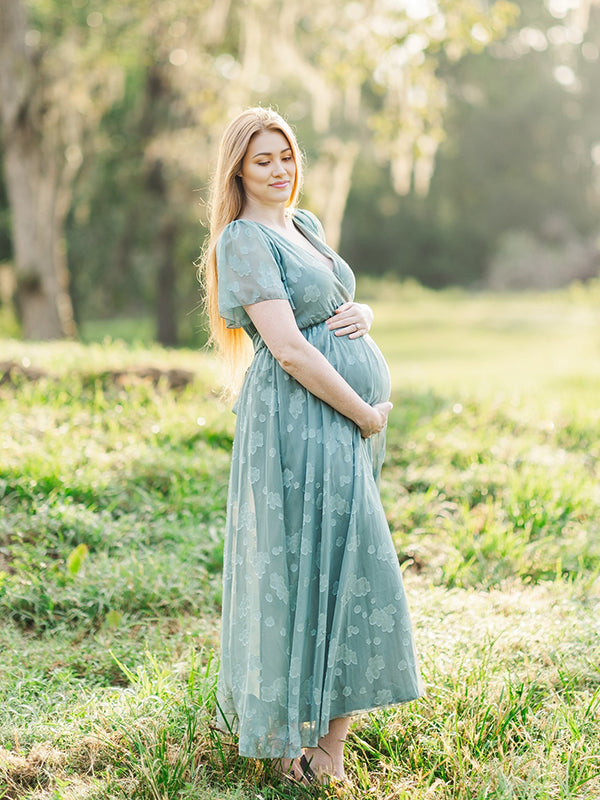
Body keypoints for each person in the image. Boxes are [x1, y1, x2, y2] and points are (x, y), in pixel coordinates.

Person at [200, 106, 423, 786]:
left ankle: (330, 744)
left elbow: (330, 301)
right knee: (323, 565)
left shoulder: (303, 225)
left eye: (286, 156)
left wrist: (366, 313)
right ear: (238, 166)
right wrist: (364, 413)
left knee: (343, 563)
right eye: (263, 159)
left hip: (341, 421)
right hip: (304, 420)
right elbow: (291, 349)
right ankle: (315, 750)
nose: (278, 170)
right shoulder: (241, 241)